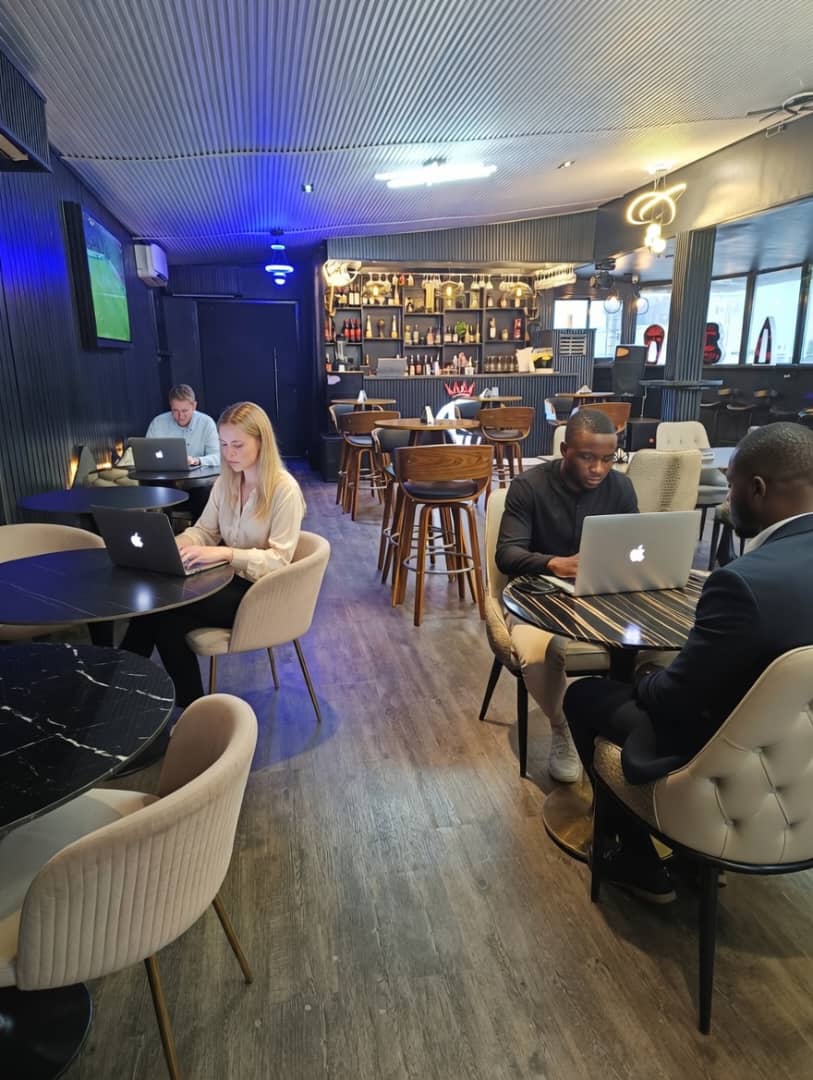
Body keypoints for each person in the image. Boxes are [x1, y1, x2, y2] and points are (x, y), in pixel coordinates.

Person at [564, 422, 813, 903]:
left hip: (722, 756)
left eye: (732, 484)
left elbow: (676, 700)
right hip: (799, 766)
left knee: (586, 695)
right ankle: (697, 864)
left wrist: (646, 675)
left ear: (756, 489)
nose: (726, 499)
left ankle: (639, 861)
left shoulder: (744, 582)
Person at [121, 401, 306, 706]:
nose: (229, 453)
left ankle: (116, 686)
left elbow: (279, 562)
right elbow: (205, 531)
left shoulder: (284, 490)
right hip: (231, 581)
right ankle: (190, 708)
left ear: (262, 442)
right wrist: (173, 544)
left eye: (237, 445)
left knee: (160, 611)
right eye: (223, 444)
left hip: (263, 593)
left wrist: (225, 555)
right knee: (165, 622)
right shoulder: (227, 482)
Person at [495, 409, 638, 782]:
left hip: (602, 596)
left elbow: (636, 545)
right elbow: (507, 555)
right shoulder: (529, 487)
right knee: (540, 652)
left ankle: (619, 728)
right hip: (536, 598)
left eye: (608, 459)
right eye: (587, 457)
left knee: (639, 641)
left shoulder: (621, 489)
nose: (598, 469)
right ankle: (564, 730)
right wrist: (554, 564)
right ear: (564, 450)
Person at [146, 384, 220, 468]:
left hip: (198, 478)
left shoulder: (207, 423)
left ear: (194, 406)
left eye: (185, 411)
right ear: (170, 406)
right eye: (175, 410)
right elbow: (148, 455)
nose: (180, 416)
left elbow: (218, 457)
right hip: (165, 477)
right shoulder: (158, 423)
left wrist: (196, 461)